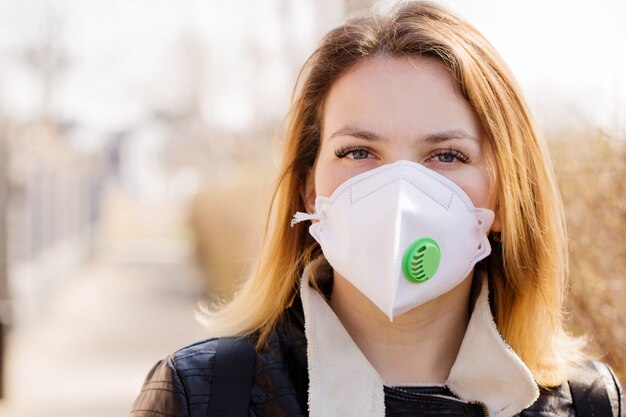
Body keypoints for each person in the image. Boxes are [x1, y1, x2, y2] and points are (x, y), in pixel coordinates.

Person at [130, 2, 624, 416]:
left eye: (447, 155)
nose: (401, 193)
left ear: (502, 195)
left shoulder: (587, 404)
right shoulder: (203, 394)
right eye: (358, 152)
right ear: (309, 190)